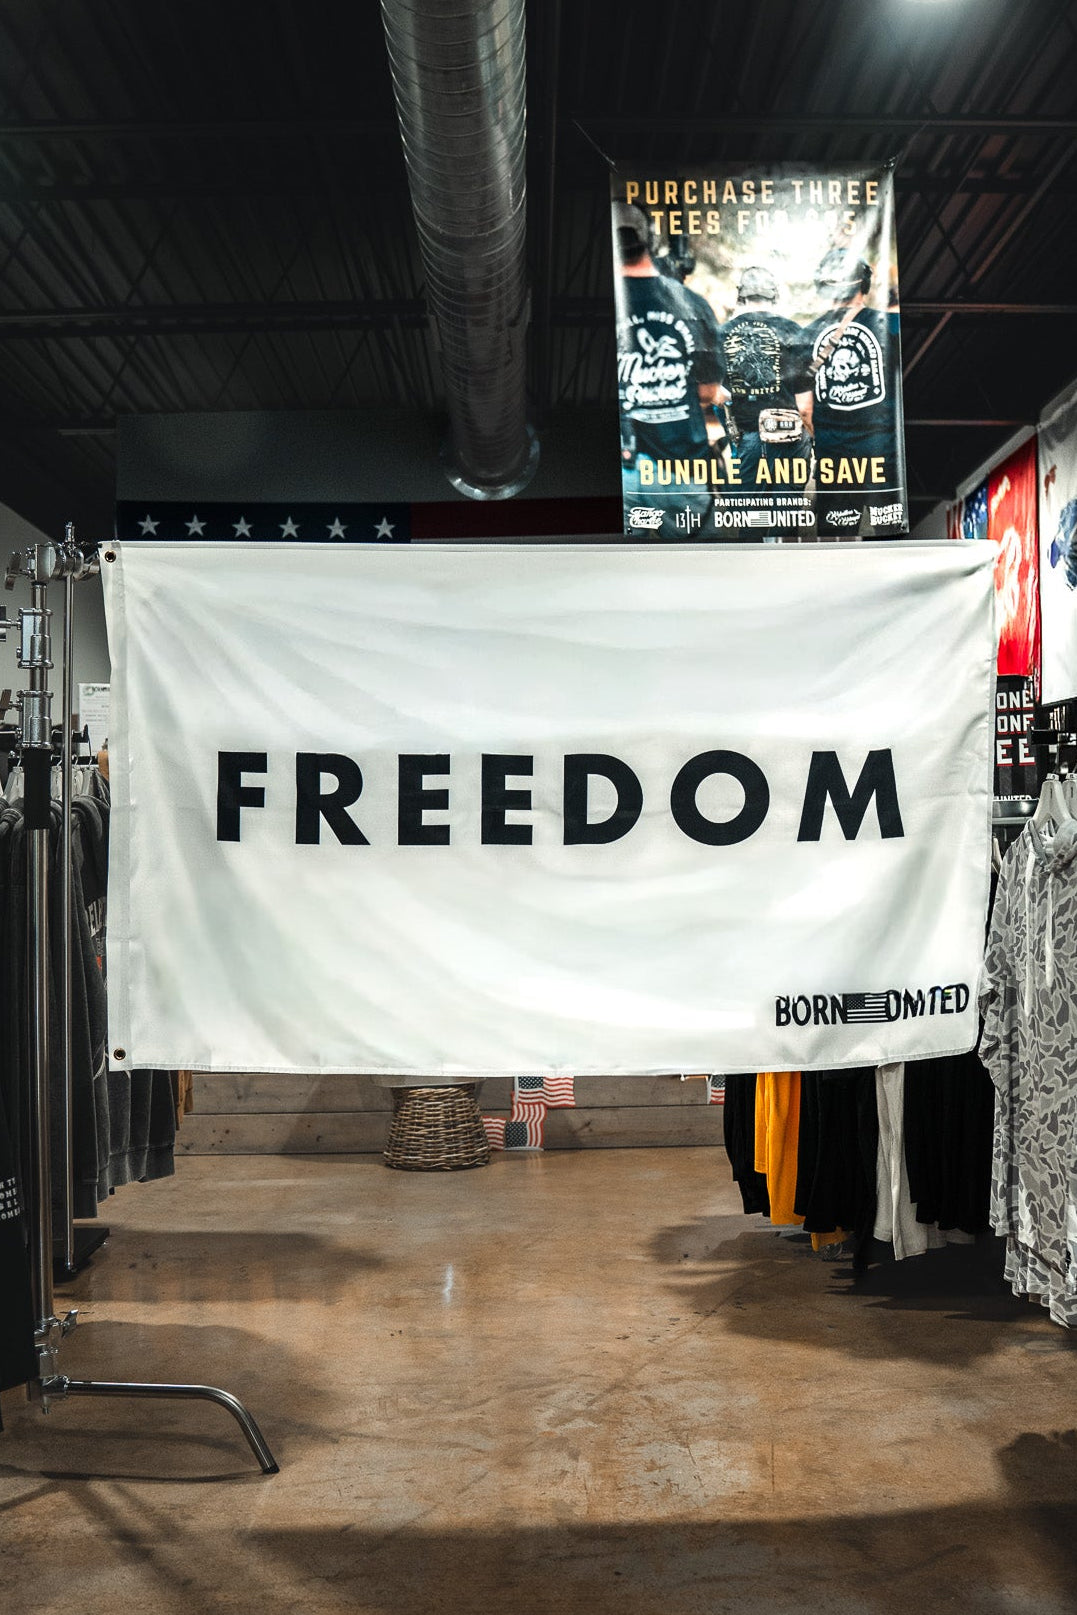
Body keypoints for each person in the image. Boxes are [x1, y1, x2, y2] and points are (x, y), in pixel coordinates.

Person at [613, 202, 728, 537]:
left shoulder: (597, 308)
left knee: (625, 572)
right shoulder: (693, 305)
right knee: (697, 573)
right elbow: (707, 392)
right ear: (649, 239)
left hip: (622, 472)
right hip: (679, 468)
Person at [802, 248, 904, 538]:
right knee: (891, 537)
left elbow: (804, 410)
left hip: (835, 459)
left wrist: (826, 437)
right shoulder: (893, 327)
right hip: (883, 454)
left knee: (838, 540)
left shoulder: (807, 335)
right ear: (864, 284)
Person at [716, 265, 814, 509]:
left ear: (741, 294)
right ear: (774, 294)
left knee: (749, 517)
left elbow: (717, 395)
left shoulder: (722, 334)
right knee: (787, 514)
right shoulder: (794, 331)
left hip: (748, 439)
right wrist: (816, 437)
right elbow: (805, 406)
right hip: (792, 437)